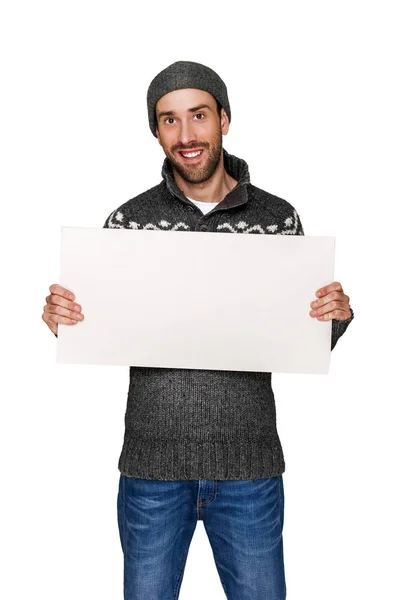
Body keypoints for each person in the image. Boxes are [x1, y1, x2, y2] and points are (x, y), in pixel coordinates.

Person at [42, 61, 355, 600]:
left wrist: (336, 319)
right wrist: (65, 320)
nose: (186, 136)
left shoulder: (277, 219)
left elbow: (298, 337)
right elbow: (106, 327)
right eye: (169, 121)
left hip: (249, 466)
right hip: (151, 468)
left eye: (199, 116)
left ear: (225, 121)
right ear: (156, 131)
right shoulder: (128, 222)